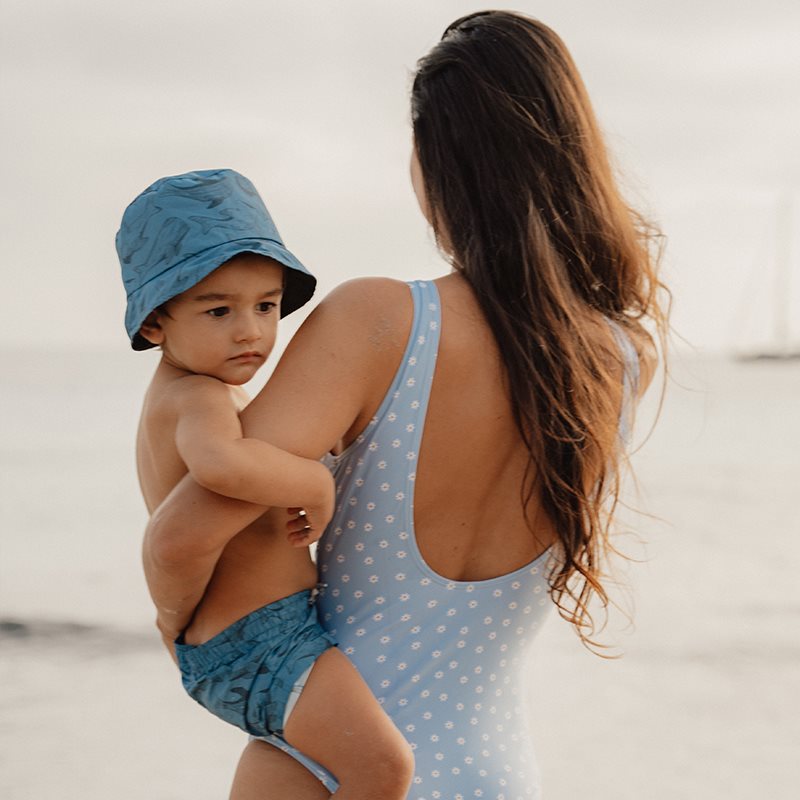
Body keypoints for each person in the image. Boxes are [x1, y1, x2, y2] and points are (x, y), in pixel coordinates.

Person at [143, 12, 667, 799]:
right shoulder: (626, 359)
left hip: (322, 769)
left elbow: (186, 531)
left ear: (437, 164)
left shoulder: (379, 322)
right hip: (494, 773)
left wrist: (178, 632)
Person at [118, 168, 414, 800]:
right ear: (154, 325)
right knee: (384, 769)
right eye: (218, 310)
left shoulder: (193, 393)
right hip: (261, 640)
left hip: (246, 642)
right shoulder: (197, 396)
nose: (250, 330)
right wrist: (313, 481)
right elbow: (220, 465)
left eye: (266, 306)